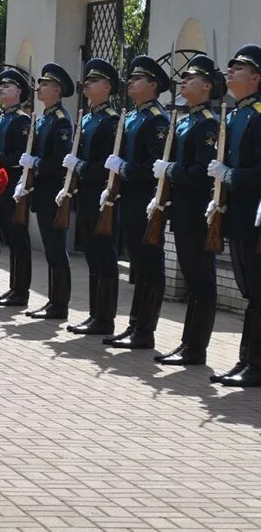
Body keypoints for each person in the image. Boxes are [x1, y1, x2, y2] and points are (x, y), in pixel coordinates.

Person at [147, 55, 221, 365]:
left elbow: (203, 170)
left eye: (190, 78)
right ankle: (187, 343)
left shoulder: (207, 123)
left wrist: (172, 170)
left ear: (206, 86)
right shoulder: (188, 118)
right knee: (192, 279)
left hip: (196, 211)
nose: (182, 81)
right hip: (181, 209)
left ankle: (196, 348)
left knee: (201, 280)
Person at [101, 55, 171, 349]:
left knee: (149, 266)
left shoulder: (157, 118)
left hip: (146, 201)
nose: (130, 82)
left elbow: (157, 167)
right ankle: (134, 326)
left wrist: (126, 169)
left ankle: (145, 330)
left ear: (153, 85)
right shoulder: (131, 116)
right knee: (137, 267)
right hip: (129, 199)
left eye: (137, 78)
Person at [207, 44, 261, 386]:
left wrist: (230, 176)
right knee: (249, 291)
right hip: (238, 214)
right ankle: (246, 360)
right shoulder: (237, 113)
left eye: (238, 68)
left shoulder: (258, 115)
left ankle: (255, 365)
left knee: (257, 291)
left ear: (256, 77)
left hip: (254, 215)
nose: (230, 72)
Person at [63, 58, 122, 336]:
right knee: (92, 256)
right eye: (87, 80)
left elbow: (108, 163)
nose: (87, 84)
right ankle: (94, 314)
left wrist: (82, 167)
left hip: (102, 196)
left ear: (108, 87)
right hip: (85, 195)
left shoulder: (112, 121)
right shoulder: (87, 118)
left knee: (105, 257)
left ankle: (105, 317)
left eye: (94, 81)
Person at [19, 62, 74, 319]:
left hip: (53, 192)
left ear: (57, 89)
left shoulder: (61, 121)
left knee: (56, 250)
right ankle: (53, 301)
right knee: (51, 251)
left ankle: (60, 304)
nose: (39, 88)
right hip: (41, 192)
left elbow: (59, 163)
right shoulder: (44, 119)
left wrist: (36, 164)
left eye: (44, 84)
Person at [0, 68, 33, 307]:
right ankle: (13, 287)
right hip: (0, 184)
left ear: (18, 91)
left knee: (19, 239)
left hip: (14, 184)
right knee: (9, 237)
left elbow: (20, 154)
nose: (1, 89)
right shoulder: (4, 118)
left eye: (7, 86)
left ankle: (21, 290)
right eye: (0, 86)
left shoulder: (21, 120)